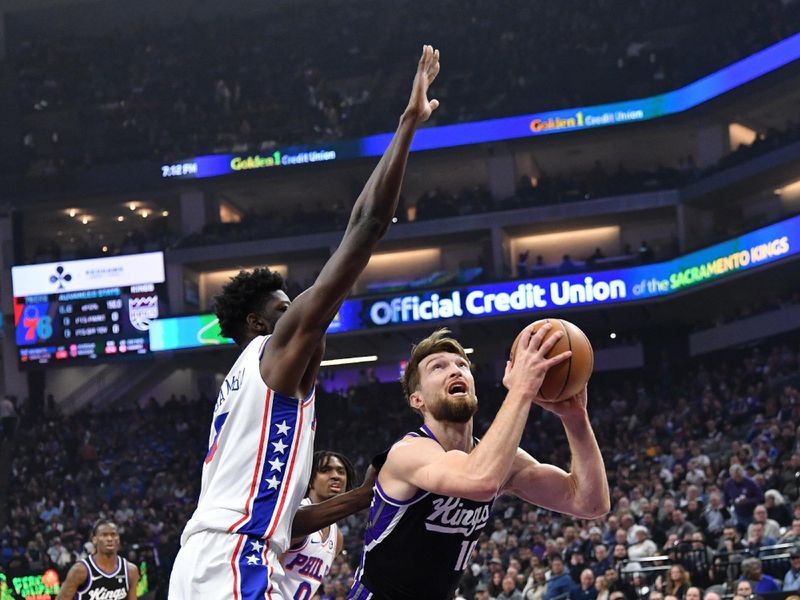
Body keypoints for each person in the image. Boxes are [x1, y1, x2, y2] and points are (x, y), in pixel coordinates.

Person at [169, 45, 442, 599]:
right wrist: (407, 126)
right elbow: (365, 228)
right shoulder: (276, 350)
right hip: (234, 559)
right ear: (258, 321)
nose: (299, 311)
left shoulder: (249, 383)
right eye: (283, 306)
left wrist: (360, 497)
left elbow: (287, 523)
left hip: (213, 557)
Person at [348, 326, 609, 599]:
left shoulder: (501, 461)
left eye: (462, 365)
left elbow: (589, 503)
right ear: (418, 400)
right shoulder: (408, 452)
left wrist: (576, 420)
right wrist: (522, 389)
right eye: (437, 367)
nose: (455, 370)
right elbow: (480, 480)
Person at [278, 451, 365, 600]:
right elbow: (267, 569)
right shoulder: (296, 515)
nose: (335, 476)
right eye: (325, 470)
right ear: (310, 480)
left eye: (341, 471)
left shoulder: (337, 537)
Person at [56, 519, 139, 600]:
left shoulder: (130, 571)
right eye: (104, 535)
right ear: (94, 540)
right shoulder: (80, 570)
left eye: (113, 535)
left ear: (118, 539)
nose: (110, 539)